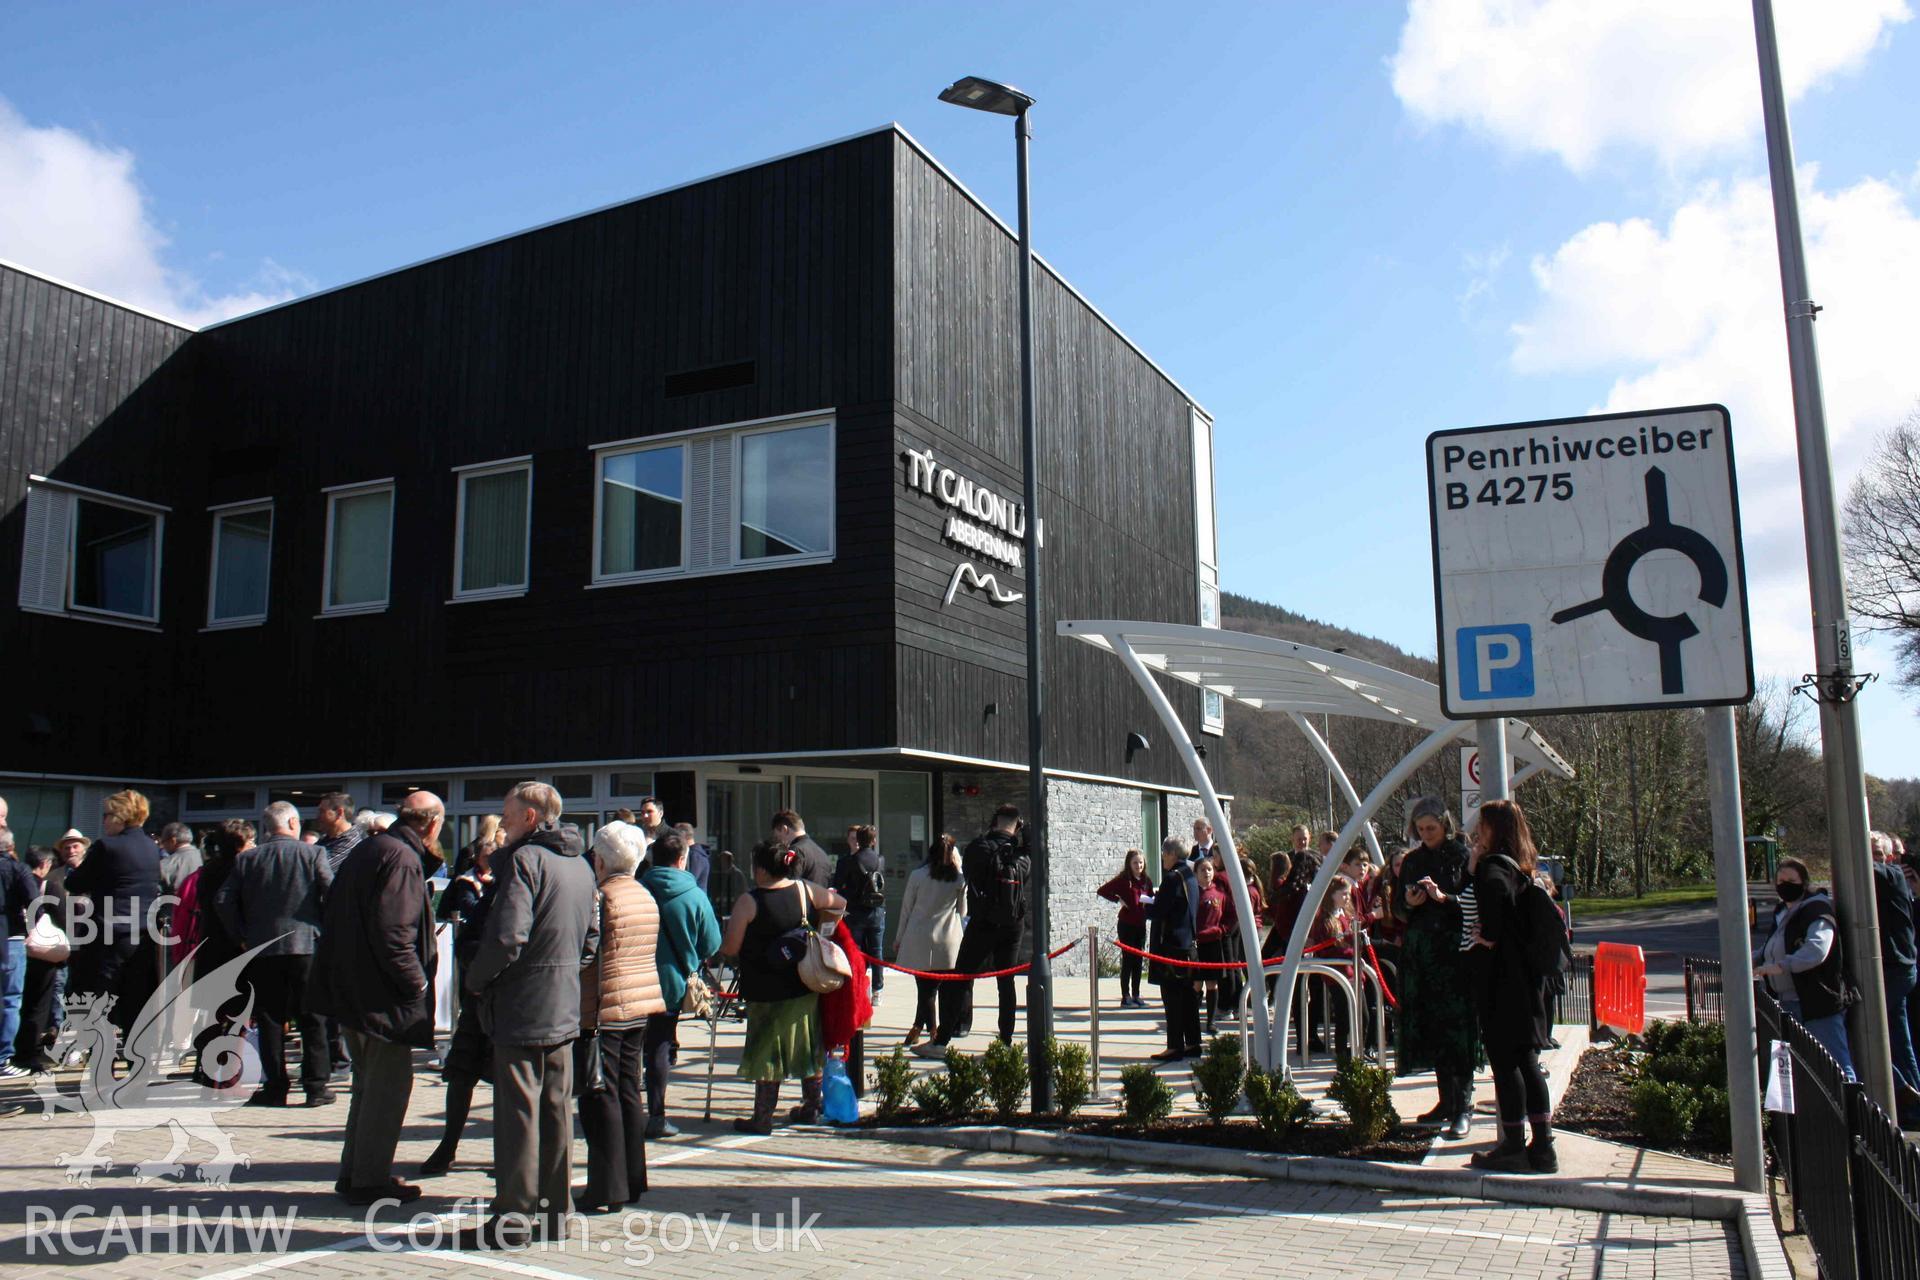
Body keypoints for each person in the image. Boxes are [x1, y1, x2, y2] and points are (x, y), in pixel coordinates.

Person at [463, 782, 600, 1247]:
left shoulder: (527, 861)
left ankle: (514, 1219)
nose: (501, 822)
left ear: (530, 817)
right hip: (561, 1004)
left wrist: (476, 980)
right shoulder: (580, 864)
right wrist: (562, 973)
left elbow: (507, 938)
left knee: (519, 1115)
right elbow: (591, 940)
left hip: (524, 1005)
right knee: (556, 1113)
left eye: (507, 812)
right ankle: (556, 1213)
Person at [312, 791, 444, 1205]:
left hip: (355, 993)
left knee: (368, 1091)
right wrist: (417, 985)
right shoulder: (399, 858)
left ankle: (355, 1173)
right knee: (385, 1093)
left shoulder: (372, 849)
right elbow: (394, 934)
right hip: (382, 999)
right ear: (433, 824)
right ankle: (368, 1179)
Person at [215, 801, 336, 1106]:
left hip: (263, 947)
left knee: (269, 1019)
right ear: (293, 823)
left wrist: (241, 935)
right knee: (313, 1017)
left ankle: (275, 1086)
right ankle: (316, 1086)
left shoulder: (249, 859)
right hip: (307, 944)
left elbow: (223, 899)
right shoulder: (313, 853)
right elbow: (332, 892)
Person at [720, 839, 845, 1132]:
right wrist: (821, 934)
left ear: (761, 869)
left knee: (766, 1051)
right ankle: (812, 1107)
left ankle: (762, 1117)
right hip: (802, 983)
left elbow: (731, 946)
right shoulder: (805, 891)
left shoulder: (749, 902)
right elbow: (839, 904)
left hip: (763, 989)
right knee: (808, 1046)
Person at [1461, 800, 1557, 1172]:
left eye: (1482, 825)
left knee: (1506, 1063)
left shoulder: (1493, 868)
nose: (1477, 831)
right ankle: (1543, 1145)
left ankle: (1514, 1144)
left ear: (1493, 828)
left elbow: (1496, 908)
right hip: (1526, 979)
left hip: (1501, 980)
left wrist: (1487, 935)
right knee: (1527, 1061)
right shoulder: (1522, 867)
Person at [577, 821, 664, 1214]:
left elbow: (588, 953)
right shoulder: (644, 895)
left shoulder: (603, 897)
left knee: (601, 1096)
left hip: (606, 1004)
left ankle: (606, 1186)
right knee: (629, 1091)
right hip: (640, 1001)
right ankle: (632, 1177)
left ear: (600, 858)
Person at [1393, 796, 1480, 1140]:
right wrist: (1409, 903)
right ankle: (1446, 1100)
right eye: (1420, 829)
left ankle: (1464, 1104)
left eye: (1431, 828)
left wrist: (1446, 898)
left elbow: (1474, 903)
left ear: (1445, 824)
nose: (1426, 834)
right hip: (1422, 953)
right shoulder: (1413, 860)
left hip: (1454, 952)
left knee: (1458, 1029)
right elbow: (1397, 909)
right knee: (1435, 1028)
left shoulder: (1462, 856)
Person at [419, 822, 500, 1178]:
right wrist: (478, 975)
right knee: (462, 1074)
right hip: (477, 998)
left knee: (508, 1082)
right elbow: (467, 940)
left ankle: (506, 1153)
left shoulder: (517, 891)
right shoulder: (481, 892)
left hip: (508, 1004)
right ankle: (448, 1146)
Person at [921, 804, 1030, 1056]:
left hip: (983, 922)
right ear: (1017, 825)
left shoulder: (979, 848)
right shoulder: (1022, 856)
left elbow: (969, 875)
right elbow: (1029, 866)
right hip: (1013, 924)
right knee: (1006, 982)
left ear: (994, 821)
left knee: (960, 979)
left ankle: (942, 1040)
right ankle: (1006, 1041)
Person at [638, 827, 721, 1137]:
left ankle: (624, 1108)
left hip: (632, 979)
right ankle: (656, 1114)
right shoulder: (695, 895)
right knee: (660, 1045)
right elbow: (711, 943)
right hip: (671, 983)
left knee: (630, 1046)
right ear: (682, 859)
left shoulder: (637, 890)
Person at [63, 790, 163, 1042]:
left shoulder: (107, 846)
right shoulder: (152, 847)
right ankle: (136, 1065)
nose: (104, 820)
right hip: (142, 934)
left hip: (107, 934)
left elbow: (76, 882)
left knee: (100, 1002)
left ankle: (102, 1067)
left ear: (121, 816)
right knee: (135, 1001)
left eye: (107, 815)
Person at [1756, 857, 1856, 1081]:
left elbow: (1817, 950)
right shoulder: (1782, 912)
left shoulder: (1817, 910)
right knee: (1803, 1074)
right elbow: (1770, 947)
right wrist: (1746, 963)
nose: (1785, 885)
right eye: (1781, 880)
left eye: (1791, 880)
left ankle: (1852, 1113)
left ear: (1804, 882)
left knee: (1836, 1065)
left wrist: (1780, 967)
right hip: (1788, 1002)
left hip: (1818, 1003)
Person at [178, 821, 251, 1088]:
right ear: (241, 843)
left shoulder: (206, 871)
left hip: (209, 947)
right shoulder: (245, 869)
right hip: (236, 948)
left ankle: (209, 1070)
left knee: (212, 1015)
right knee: (237, 1017)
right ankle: (227, 1075)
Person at [896, 834, 967, 1045]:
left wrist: (899, 937)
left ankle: (931, 1030)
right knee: (937, 989)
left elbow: (906, 909)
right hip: (948, 938)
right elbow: (963, 912)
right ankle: (921, 1026)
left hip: (919, 937)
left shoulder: (917, 876)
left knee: (925, 989)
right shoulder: (958, 879)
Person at [1870, 832, 1920, 1123]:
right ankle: (1913, 1101)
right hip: (1898, 968)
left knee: (1865, 1027)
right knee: (1900, 1041)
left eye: (1877, 851)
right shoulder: (1883, 879)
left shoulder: (1890, 875)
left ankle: (1900, 1087)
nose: (1872, 856)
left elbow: (1863, 864)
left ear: (1890, 858)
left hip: (1895, 970)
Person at [1148, 837, 1202, 1061]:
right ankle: (1192, 1042)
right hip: (1188, 944)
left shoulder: (1171, 879)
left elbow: (1159, 911)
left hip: (1171, 947)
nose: (1162, 857)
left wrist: (1146, 906)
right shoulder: (1190, 876)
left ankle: (1175, 1046)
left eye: (1164, 852)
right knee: (1189, 998)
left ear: (1172, 854)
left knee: (1172, 998)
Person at [14, 846, 64, 1071]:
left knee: (14, 1002)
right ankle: (27, 1054)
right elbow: (65, 920)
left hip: (15, 947)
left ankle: (11, 1048)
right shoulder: (49, 886)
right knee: (38, 1006)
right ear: (46, 864)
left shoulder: (14, 881)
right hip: (42, 954)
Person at [1305, 874, 1358, 1060]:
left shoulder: (1346, 915)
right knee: (1343, 1014)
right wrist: (1351, 947)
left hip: (1353, 971)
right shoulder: (1324, 920)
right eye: (1343, 894)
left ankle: (1358, 1049)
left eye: (1348, 894)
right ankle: (1342, 1053)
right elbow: (1330, 948)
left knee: (1363, 1015)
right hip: (1337, 972)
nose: (1347, 898)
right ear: (1332, 895)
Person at [832, 825, 886, 1003]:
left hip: (855, 911)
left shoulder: (848, 862)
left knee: (855, 950)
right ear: (874, 840)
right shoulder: (880, 860)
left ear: (858, 840)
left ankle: (858, 985)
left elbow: (838, 886)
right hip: (876, 911)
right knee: (876, 951)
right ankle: (877, 990)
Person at [1097, 848, 1153, 1009]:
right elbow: (1103, 891)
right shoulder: (1123, 880)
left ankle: (1136, 993)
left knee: (1138, 960)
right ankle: (1125, 995)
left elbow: (1150, 897)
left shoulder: (1146, 881)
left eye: (1141, 862)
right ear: (1129, 864)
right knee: (1128, 959)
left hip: (1140, 924)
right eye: (1135, 862)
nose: (1138, 865)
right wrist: (1118, 899)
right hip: (1126, 924)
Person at [0, 830, 34, 1077]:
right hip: (11, 937)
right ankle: (2, 1058)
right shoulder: (18, 869)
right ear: (11, 846)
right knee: (11, 999)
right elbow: (34, 903)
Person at [1193, 857, 1232, 1034]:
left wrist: (1220, 930)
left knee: (1212, 984)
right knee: (1195, 984)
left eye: (1209, 869)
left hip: (1213, 944)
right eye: (1202, 869)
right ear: (1196, 873)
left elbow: (1230, 917)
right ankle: (1192, 1020)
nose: (1206, 872)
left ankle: (1210, 1021)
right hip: (1195, 945)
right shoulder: (1192, 893)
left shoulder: (1220, 894)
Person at [155, 823, 203, 957]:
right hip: (200, 922)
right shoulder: (203, 857)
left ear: (173, 840)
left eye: (163, 842)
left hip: (173, 919)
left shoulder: (167, 864)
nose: (163, 846)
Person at [769, 810, 833, 888]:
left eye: (777, 836)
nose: (778, 841)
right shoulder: (822, 854)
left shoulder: (795, 851)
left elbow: (789, 886)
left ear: (785, 829)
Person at [314, 792, 365, 873]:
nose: (318, 816)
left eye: (322, 811)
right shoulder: (325, 839)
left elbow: (319, 871)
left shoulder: (351, 842)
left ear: (339, 813)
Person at [667, 823, 711, 892]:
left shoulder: (695, 855)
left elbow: (690, 879)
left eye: (676, 837)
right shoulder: (695, 853)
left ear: (683, 836)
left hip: (694, 898)